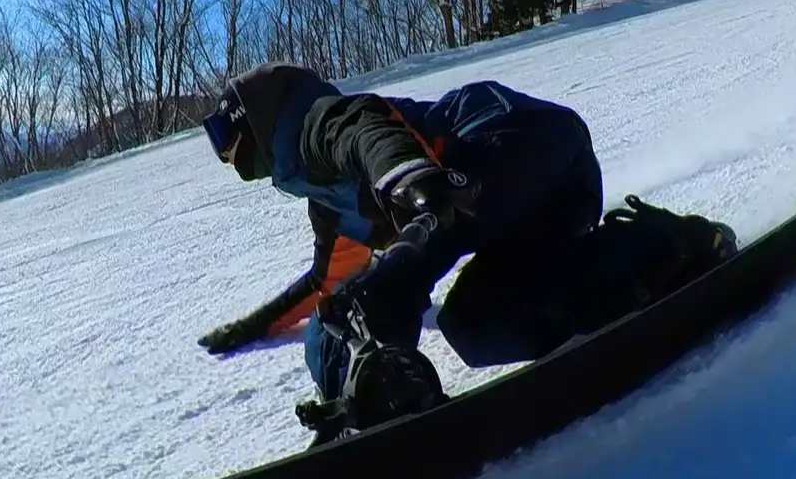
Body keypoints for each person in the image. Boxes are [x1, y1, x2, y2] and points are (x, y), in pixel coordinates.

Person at [197, 62, 737, 437]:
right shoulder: (329, 206)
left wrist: (409, 179)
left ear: (255, 117)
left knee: (402, 268)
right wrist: (255, 326)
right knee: (472, 325)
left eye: (223, 132)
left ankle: (669, 237)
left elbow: (369, 133)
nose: (224, 153)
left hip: (513, 142)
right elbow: (327, 287)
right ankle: (640, 267)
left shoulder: (319, 123)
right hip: (529, 212)